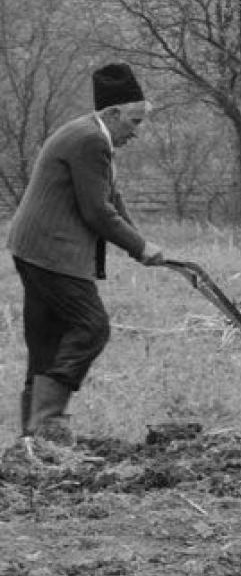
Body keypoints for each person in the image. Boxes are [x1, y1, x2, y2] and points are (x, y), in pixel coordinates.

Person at [7, 62, 166, 445]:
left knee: (46, 338)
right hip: (52, 251)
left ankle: (33, 434)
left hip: (33, 248)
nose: (137, 132)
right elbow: (97, 212)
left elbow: (110, 198)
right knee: (92, 328)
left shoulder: (90, 134)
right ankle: (47, 421)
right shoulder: (90, 141)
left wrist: (138, 245)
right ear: (112, 113)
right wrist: (141, 246)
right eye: (135, 121)